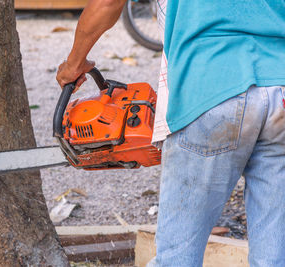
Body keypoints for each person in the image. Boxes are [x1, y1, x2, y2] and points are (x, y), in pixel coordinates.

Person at [56, 0, 285, 266]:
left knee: (177, 257)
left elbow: (108, 2)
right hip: (279, 85)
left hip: (209, 86)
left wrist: (74, 63)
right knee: (274, 256)